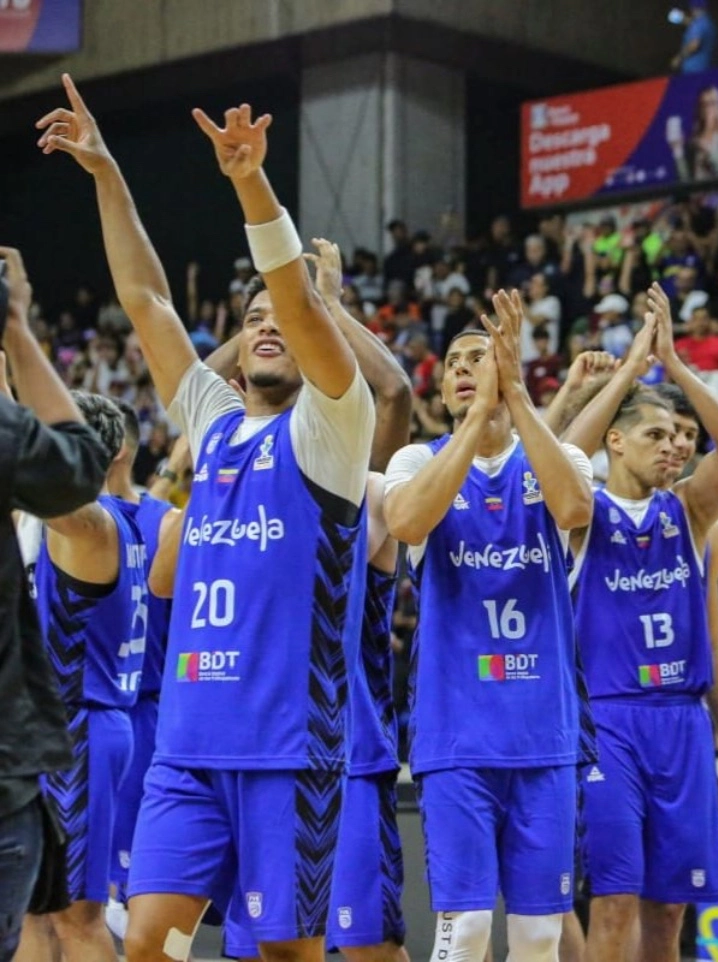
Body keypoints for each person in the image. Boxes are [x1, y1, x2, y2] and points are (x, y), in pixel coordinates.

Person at [40, 75, 375, 962]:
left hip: (288, 747)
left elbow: (301, 302)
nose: (267, 324)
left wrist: (250, 188)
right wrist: (108, 174)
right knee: (145, 942)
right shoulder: (216, 424)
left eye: (282, 318)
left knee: (284, 955)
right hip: (188, 743)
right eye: (252, 317)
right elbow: (148, 304)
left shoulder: (336, 430)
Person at [215, 238, 414, 962]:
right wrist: (265, 314)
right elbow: (187, 382)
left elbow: (393, 392)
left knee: (364, 950)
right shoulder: (230, 466)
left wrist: (320, 308)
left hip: (347, 745)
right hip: (251, 740)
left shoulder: (348, 474)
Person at [384, 291, 593, 962]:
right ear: (443, 389)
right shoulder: (416, 463)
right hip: (457, 736)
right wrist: (480, 417)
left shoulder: (562, 460)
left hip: (543, 735)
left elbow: (574, 506)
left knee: (537, 938)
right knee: (466, 929)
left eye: (483, 356)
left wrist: (520, 399)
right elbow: (409, 523)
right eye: (455, 363)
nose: (468, 367)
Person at [560, 285, 718, 962]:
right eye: (656, 434)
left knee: (669, 910)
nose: (674, 445)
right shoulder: (582, 513)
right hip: (609, 720)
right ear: (615, 441)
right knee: (613, 903)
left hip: (685, 721)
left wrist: (674, 366)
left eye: (679, 437)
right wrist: (632, 366)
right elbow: (563, 460)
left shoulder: (695, 516)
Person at [0, 246, 110, 962]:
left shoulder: (106, 528)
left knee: (75, 922)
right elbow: (73, 464)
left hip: (97, 718)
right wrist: (15, 323)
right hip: (28, 742)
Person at [12, 384, 146, 962]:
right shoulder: (73, 525)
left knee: (77, 919)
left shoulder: (92, 524)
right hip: (54, 732)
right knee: (31, 915)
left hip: (81, 732)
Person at [106, 402, 180, 937]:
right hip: (87, 718)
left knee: (123, 907)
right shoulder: (160, 516)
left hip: (137, 712)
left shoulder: (161, 518)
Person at [670, 0, 717, 73]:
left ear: (693, 7)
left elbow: (694, 45)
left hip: (694, 71)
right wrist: (683, 19)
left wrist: (679, 57)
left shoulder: (698, 24)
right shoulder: (708, 22)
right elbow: (694, 25)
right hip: (706, 67)